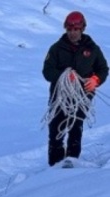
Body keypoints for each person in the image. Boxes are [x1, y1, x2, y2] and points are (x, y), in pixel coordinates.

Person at [42, 11, 108, 166]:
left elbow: (103, 68)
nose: (72, 33)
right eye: (70, 30)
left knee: (75, 129)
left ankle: (72, 164)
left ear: (82, 29)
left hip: (82, 96)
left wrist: (96, 79)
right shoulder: (56, 49)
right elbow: (47, 71)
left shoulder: (92, 49)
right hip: (59, 97)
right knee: (56, 131)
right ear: (66, 29)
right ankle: (55, 165)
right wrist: (63, 76)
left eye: (76, 30)